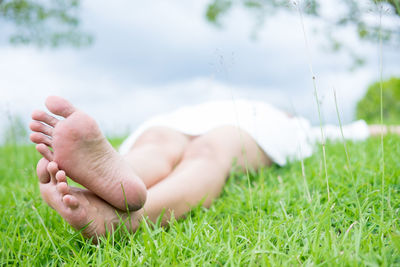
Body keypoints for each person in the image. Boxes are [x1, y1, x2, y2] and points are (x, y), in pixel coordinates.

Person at [29, 96, 398, 242]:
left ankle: (122, 191)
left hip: (188, 122)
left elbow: (364, 130)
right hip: (239, 126)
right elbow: (364, 129)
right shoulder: (285, 120)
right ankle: (124, 203)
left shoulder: (295, 124)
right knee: (203, 152)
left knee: (171, 147)